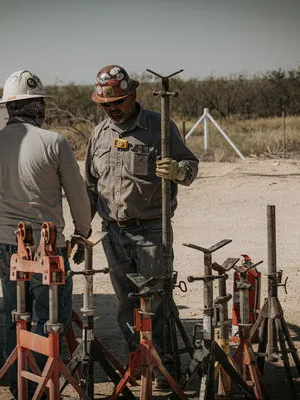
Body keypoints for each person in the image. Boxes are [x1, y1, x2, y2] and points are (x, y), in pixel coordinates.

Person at [84, 64, 199, 388]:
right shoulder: (99, 134)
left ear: (132, 95)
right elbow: (91, 187)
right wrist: (82, 229)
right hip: (113, 233)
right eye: (105, 105)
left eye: (116, 103)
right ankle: (139, 361)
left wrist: (177, 170)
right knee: (127, 307)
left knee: (156, 304)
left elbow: (191, 166)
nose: (111, 110)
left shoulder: (159, 128)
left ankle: (164, 370)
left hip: (151, 232)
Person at [0, 70, 91, 399]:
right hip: (45, 246)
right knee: (48, 317)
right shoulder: (53, 142)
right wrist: (82, 234)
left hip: (3, 244)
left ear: (9, 108)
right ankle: (43, 389)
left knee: (16, 315)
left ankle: (21, 388)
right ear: (38, 106)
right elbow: (78, 199)